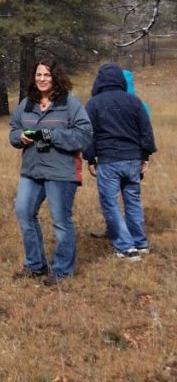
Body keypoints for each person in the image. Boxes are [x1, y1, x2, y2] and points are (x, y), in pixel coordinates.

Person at [9, 59, 92, 285]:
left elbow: (84, 135)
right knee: (24, 212)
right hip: (32, 170)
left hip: (61, 172)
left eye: (47, 75)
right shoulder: (27, 104)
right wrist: (20, 137)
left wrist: (52, 135)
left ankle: (62, 271)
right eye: (39, 75)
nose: (42, 79)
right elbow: (14, 129)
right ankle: (35, 265)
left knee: (61, 221)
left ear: (55, 77)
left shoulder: (70, 103)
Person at [82, 63, 156, 260]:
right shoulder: (134, 101)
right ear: (121, 81)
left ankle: (125, 246)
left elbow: (88, 133)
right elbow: (145, 131)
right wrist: (145, 156)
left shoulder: (94, 103)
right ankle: (140, 243)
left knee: (110, 203)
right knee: (133, 201)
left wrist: (90, 157)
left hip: (109, 160)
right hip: (133, 159)